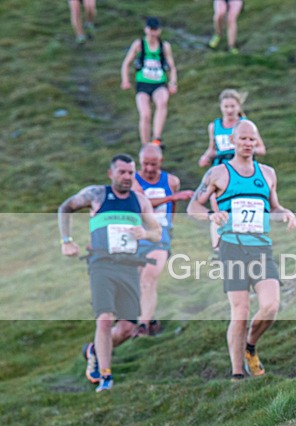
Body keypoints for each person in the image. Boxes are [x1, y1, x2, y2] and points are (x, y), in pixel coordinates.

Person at [188, 120, 296, 381]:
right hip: (231, 247)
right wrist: (211, 217)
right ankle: (237, 373)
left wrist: (287, 213)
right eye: (243, 139)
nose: (247, 143)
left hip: (261, 247)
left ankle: (250, 344)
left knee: (271, 306)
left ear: (256, 142)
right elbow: (193, 207)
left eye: (252, 139)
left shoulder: (268, 173)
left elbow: (274, 207)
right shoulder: (218, 174)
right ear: (233, 141)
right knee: (240, 310)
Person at [58, 154, 162, 392]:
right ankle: (106, 377)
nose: (127, 177)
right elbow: (65, 206)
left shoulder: (140, 201)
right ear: (111, 173)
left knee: (127, 329)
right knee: (105, 319)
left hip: (129, 266)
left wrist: (144, 234)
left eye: (130, 173)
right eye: (122, 172)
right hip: (101, 265)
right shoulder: (97, 195)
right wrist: (67, 241)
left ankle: (95, 351)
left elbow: (156, 232)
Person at [133, 143, 194, 336]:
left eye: (154, 164)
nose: (149, 169)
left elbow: (172, 208)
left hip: (159, 236)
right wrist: (172, 198)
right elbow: (142, 204)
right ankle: (149, 319)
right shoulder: (133, 181)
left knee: (149, 276)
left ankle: (142, 325)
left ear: (161, 162)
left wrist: (169, 225)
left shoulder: (172, 182)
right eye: (145, 164)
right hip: (136, 235)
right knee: (139, 280)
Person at [198, 89, 266, 252]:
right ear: (220, 107)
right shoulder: (214, 126)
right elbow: (212, 148)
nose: (229, 110)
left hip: (242, 170)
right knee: (217, 209)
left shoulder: (246, 125)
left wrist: (245, 148)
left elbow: (262, 148)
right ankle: (217, 247)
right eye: (226, 106)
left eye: (232, 106)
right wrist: (206, 156)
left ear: (238, 107)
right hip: (220, 169)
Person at [120, 17, 178, 147]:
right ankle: (145, 144)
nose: (153, 33)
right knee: (145, 114)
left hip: (159, 83)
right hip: (143, 84)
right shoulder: (139, 44)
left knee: (162, 102)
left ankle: (157, 137)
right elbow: (126, 63)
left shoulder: (164, 46)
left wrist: (173, 82)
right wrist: (125, 80)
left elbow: (172, 67)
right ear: (146, 30)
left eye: (155, 30)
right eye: (151, 30)